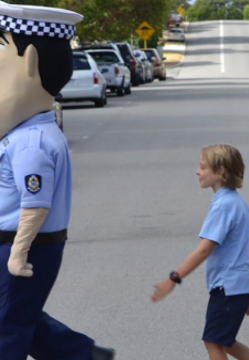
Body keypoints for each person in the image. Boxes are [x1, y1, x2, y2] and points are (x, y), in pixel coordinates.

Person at [0, 2, 114, 359]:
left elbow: (35, 204)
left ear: (30, 63)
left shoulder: (31, 143)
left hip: (24, 244)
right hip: (20, 241)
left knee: (9, 326)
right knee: (20, 315)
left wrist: (18, 254)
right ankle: (84, 355)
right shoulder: (28, 132)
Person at [152, 144, 249, 360]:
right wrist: (245, 292)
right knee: (224, 341)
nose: (197, 171)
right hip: (237, 284)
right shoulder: (237, 202)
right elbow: (238, 250)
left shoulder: (223, 206)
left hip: (228, 285)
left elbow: (203, 250)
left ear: (221, 172)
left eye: (203, 167)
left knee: (214, 341)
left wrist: (173, 278)